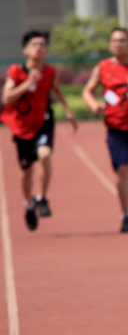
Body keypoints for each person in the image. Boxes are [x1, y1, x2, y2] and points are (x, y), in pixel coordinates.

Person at [1, 30, 77, 230]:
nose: (39, 48)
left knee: (45, 155)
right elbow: (7, 98)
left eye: (42, 45)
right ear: (25, 49)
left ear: (47, 50)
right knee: (26, 172)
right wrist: (28, 83)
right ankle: (28, 204)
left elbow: (58, 91)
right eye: (34, 44)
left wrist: (68, 112)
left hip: (43, 121)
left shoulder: (50, 71)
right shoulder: (16, 71)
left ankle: (42, 197)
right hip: (22, 126)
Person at [82, 28, 128, 233]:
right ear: (110, 45)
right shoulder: (103, 67)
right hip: (116, 129)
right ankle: (126, 215)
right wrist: (93, 104)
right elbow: (87, 90)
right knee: (122, 169)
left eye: (123, 41)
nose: (118, 44)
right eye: (114, 41)